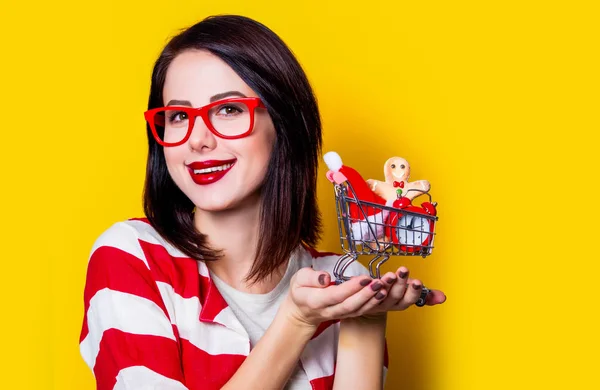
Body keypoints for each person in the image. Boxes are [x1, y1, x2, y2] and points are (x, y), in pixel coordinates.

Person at [78, 14, 446, 390]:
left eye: (229, 110)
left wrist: (366, 318)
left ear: (283, 123)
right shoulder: (131, 257)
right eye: (178, 116)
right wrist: (297, 321)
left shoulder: (342, 282)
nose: (198, 139)